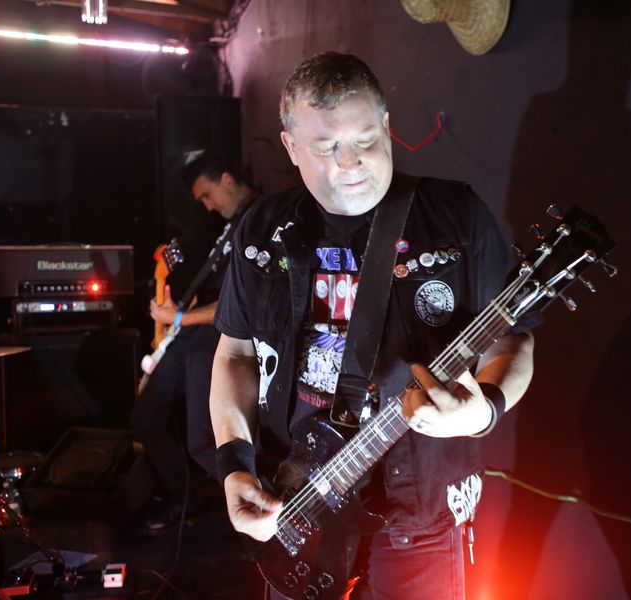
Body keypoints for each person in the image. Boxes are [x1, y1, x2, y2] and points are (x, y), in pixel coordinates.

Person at [209, 52, 535, 599]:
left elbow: (512, 336)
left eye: (365, 139)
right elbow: (235, 355)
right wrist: (234, 464)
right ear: (290, 147)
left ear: (387, 125)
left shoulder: (454, 214)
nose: (350, 163)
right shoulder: (262, 228)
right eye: (324, 147)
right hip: (295, 500)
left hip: (420, 515)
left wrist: (483, 411)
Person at [130, 153, 257, 534]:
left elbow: (243, 303)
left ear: (227, 179)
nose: (207, 205)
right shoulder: (230, 226)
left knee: (205, 440)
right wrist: (178, 312)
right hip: (194, 333)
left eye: (207, 195)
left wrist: (180, 318)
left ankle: (259, 512)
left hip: (221, 339)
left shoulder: (259, 219)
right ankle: (182, 498)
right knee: (146, 416)